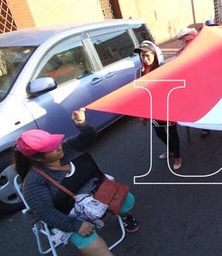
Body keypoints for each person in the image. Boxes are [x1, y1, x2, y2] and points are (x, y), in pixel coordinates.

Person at [14, 108, 139, 256]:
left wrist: (82, 123)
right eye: (51, 148)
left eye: (54, 142)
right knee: (88, 240)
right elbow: (45, 212)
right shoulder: (33, 183)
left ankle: (126, 217)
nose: (58, 146)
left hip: (97, 193)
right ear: (38, 158)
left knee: (127, 200)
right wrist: (75, 225)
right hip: (69, 215)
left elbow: (89, 137)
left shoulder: (68, 148)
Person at [135, 40, 183, 170]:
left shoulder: (163, 69)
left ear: (155, 54)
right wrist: (141, 113)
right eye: (142, 56)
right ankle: (171, 149)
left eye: (147, 55)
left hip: (166, 106)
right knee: (159, 132)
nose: (144, 59)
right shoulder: (139, 72)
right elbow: (139, 93)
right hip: (152, 109)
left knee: (172, 132)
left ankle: (178, 156)